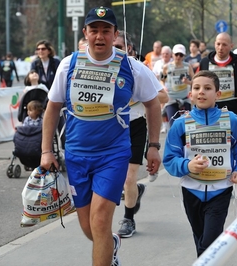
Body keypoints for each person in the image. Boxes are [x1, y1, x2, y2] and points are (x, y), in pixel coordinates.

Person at [40, 7, 162, 266]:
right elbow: (51, 108)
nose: (99, 35)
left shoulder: (131, 67)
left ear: (114, 34)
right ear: (85, 33)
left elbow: (154, 103)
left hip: (113, 155)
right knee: (89, 229)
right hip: (76, 156)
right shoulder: (69, 64)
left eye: (106, 30)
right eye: (94, 29)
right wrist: (46, 151)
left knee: (99, 221)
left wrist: (153, 146)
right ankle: (112, 245)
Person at [163, 70, 237, 257]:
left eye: (207, 88)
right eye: (197, 88)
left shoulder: (231, 120)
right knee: (201, 239)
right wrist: (187, 165)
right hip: (191, 191)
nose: (201, 92)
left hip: (220, 190)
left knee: (209, 243)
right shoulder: (180, 124)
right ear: (190, 94)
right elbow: (169, 159)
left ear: (218, 94)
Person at [113, 30, 168, 238]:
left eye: (119, 47)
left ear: (128, 48)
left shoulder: (138, 69)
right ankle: (135, 191)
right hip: (109, 127)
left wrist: (138, 97)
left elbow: (163, 96)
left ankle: (128, 219)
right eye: (112, 46)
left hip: (134, 125)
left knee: (128, 177)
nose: (114, 50)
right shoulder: (99, 67)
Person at [198, 32, 237, 121]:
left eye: (224, 45)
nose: (220, 48)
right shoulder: (205, 63)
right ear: (214, 44)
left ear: (231, 46)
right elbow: (197, 84)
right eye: (218, 44)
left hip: (231, 111)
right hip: (209, 110)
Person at [161, 44, 194, 126]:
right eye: (176, 54)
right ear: (172, 54)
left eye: (181, 55)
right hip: (171, 99)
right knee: (173, 125)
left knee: (187, 125)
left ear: (184, 56)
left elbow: (195, 81)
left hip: (185, 98)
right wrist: (163, 87)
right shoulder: (166, 67)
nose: (178, 57)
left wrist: (188, 82)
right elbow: (162, 80)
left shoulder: (187, 67)